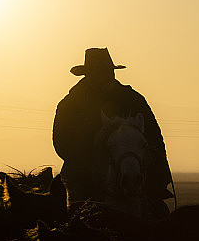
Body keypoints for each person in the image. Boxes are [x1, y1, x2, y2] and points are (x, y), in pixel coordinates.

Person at [53, 47, 173, 215]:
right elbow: (61, 142)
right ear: (88, 74)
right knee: (75, 210)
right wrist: (90, 157)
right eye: (99, 72)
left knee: (157, 209)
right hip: (84, 173)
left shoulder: (133, 99)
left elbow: (154, 137)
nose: (104, 76)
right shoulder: (71, 104)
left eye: (107, 71)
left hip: (136, 166)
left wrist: (156, 164)